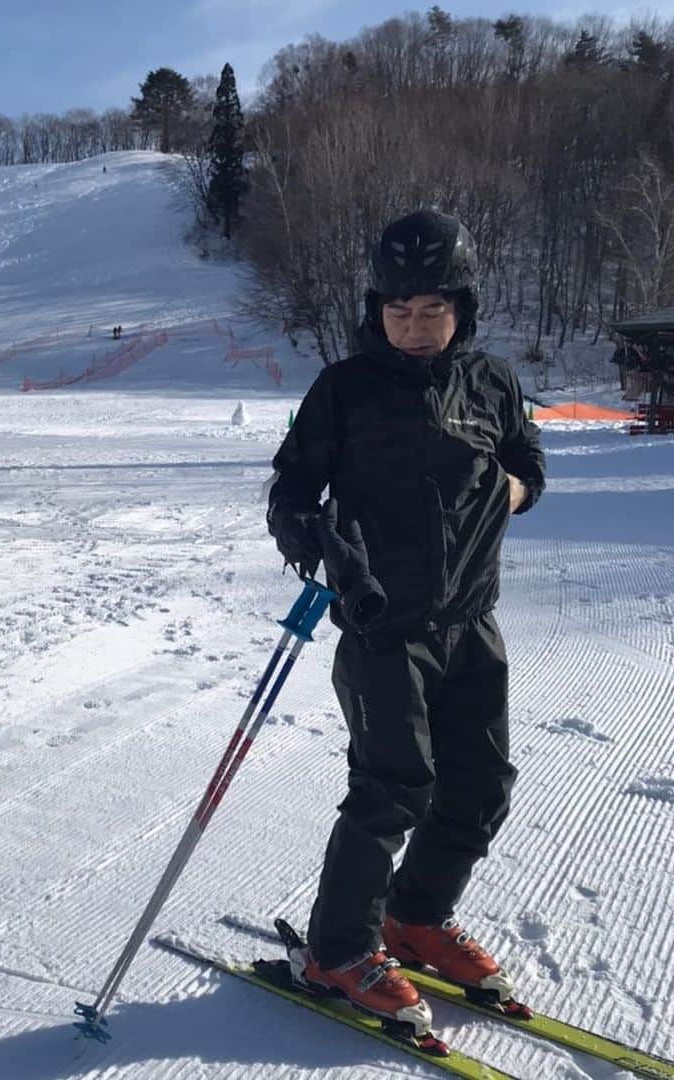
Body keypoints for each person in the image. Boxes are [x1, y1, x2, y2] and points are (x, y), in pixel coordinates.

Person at [266, 209, 546, 1038]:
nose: (414, 326)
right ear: (375, 310)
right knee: (393, 789)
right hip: (384, 625)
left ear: (463, 306)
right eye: (397, 310)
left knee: (480, 786)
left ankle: (416, 918)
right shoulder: (343, 389)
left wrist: (510, 491)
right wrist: (315, 541)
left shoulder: (492, 381)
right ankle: (338, 949)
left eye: (432, 309)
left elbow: (529, 463)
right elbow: (290, 492)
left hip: (472, 619)